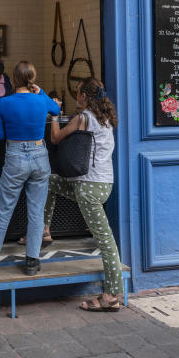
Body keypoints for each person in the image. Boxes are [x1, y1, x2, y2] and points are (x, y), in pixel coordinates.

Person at [0, 61, 59, 276]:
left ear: (13, 79)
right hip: (39, 155)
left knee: (4, 208)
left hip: (15, 156)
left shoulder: (5, 103)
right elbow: (56, 109)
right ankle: (32, 260)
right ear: (32, 78)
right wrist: (41, 92)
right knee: (36, 211)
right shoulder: (41, 101)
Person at [47, 77, 123, 312]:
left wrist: (54, 116)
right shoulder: (107, 118)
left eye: (78, 93)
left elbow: (56, 138)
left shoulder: (84, 118)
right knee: (49, 181)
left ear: (85, 97)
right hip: (102, 184)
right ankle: (44, 229)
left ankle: (111, 295)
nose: (76, 96)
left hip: (88, 187)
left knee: (105, 239)